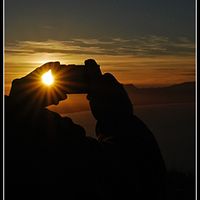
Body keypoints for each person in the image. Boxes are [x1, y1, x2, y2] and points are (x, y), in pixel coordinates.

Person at [5, 59, 166, 200]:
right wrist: (116, 116)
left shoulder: (20, 132)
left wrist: (17, 109)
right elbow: (137, 175)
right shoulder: (49, 137)